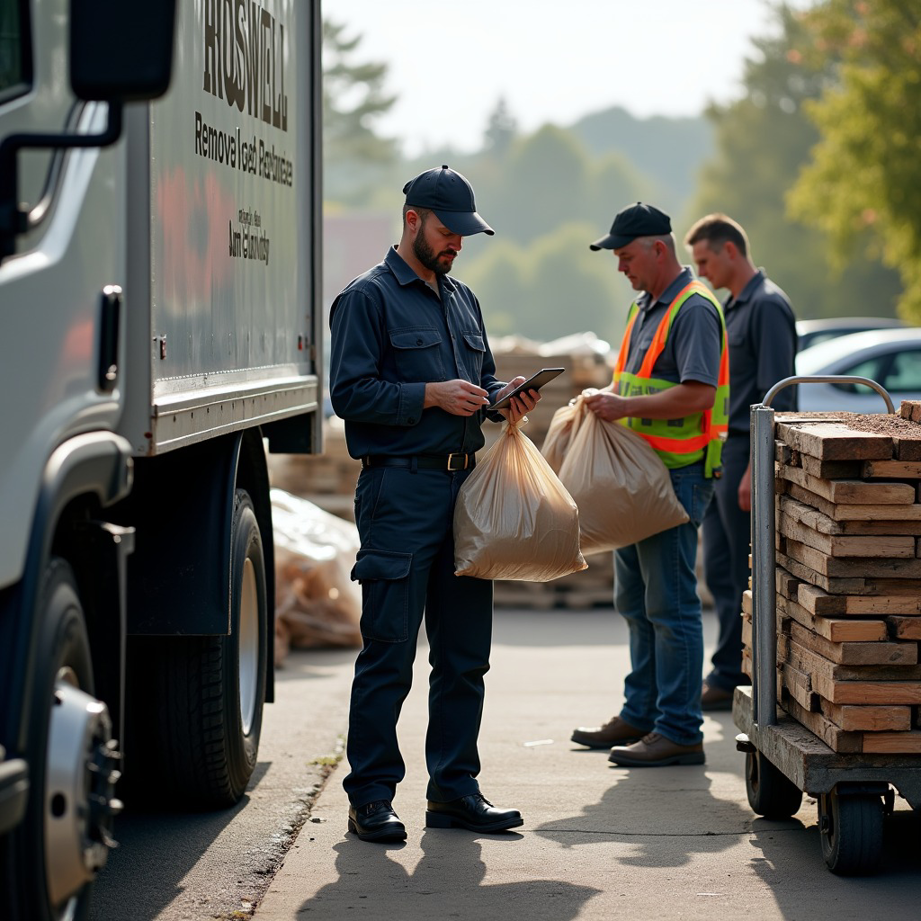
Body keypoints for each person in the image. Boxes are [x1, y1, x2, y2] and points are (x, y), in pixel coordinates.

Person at [329, 165, 537, 842]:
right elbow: (350, 394)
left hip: (464, 490)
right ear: (412, 220)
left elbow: (474, 382)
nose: (456, 245)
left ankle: (453, 789)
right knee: (388, 651)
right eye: (448, 232)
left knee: (463, 655)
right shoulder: (366, 298)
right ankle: (370, 796)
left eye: (464, 236)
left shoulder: (461, 299)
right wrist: (427, 395)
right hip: (399, 490)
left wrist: (502, 393)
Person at [570, 202, 728, 767]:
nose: (620, 267)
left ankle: (680, 729)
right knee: (636, 600)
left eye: (626, 255)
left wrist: (620, 405)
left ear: (659, 249)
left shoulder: (692, 309)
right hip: (641, 479)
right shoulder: (646, 307)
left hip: (676, 479)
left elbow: (699, 393)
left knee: (671, 606)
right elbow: (637, 384)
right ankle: (641, 713)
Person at [684, 214, 797, 710]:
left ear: (730, 250)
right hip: (723, 454)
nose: (703, 272)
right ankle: (732, 668)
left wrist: (757, 466)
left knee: (740, 573)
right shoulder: (735, 307)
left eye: (705, 261)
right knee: (725, 571)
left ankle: (734, 672)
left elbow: (778, 394)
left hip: (745, 456)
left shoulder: (767, 306)